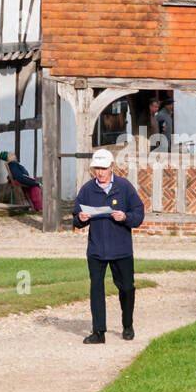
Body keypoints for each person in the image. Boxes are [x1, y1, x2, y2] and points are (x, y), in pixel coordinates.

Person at [73, 147, 145, 344]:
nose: (100, 172)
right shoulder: (87, 189)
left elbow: (138, 213)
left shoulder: (124, 187)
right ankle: (98, 332)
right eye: (97, 168)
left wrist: (126, 217)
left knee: (127, 288)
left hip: (121, 248)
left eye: (103, 168)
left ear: (112, 167)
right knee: (96, 288)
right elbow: (76, 217)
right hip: (96, 249)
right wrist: (80, 218)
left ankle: (127, 324)